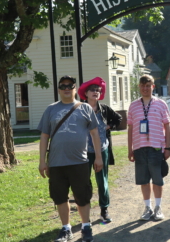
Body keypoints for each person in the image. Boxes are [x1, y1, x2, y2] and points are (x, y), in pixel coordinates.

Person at [38, 75, 103, 242]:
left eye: (70, 85)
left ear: (75, 89)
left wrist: (98, 157)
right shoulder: (51, 109)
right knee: (60, 196)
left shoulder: (85, 108)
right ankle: (66, 228)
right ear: (59, 89)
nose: (67, 88)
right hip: (56, 162)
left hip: (79, 161)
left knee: (83, 195)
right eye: (63, 86)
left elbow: (95, 134)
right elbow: (44, 136)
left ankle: (86, 226)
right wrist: (42, 161)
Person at [127, 74, 170, 221]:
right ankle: (148, 208)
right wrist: (130, 149)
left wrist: (168, 147)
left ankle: (158, 207)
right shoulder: (133, 105)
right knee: (143, 180)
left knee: (157, 180)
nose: (145, 88)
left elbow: (167, 126)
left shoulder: (161, 104)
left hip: (156, 147)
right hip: (139, 148)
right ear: (139, 87)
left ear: (153, 87)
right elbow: (130, 128)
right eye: (143, 85)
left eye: (148, 85)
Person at [78, 77, 122, 223]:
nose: (95, 92)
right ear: (86, 92)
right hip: (84, 151)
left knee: (102, 181)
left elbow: (118, 119)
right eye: (92, 90)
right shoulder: (79, 108)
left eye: (98, 90)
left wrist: (108, 127)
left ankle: (104, 209)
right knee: (84, 181)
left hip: (102, 149)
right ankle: (86, 213)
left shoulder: (104, 109)